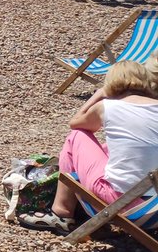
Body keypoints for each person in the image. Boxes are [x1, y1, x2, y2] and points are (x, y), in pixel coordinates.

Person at [19, 61, 158, 232]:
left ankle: (61, 212)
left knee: (77, 137)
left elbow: (76, 124)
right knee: (109, 148)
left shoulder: (108, 107)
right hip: (154, 209)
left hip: (124, 205)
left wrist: (98, 95)